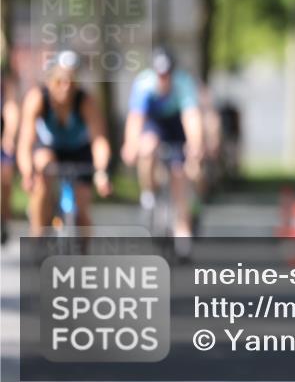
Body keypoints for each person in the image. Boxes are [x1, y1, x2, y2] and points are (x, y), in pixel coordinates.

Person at [16, 51, 112, 236]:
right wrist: (27, 173)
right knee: (42, 174)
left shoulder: (86, 102)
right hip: (49, 148)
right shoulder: (37, 99)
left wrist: (101, 172)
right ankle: (38, 234)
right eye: (59, 81)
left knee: (83, 209)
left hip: (79, 151)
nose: (66, 87)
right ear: (49, 81)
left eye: (71, 82)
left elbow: (99, 140)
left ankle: (82, 249)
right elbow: (26, 142)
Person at [121, 47, 203, 258]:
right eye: (160, 74)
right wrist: (130, 145)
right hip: (154, 124)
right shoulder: (144, 84)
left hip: (176, 126)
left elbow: (191, 117)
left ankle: (182, 234)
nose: (163, 78)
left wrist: (195, 145)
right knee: (147, 148)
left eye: (167, 74)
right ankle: (148, 192)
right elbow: (136, 118)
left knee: (179, 176)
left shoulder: (183, 83)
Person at [1, 64, 21, 244]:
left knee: (5, 180)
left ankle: (4, 220)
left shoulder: (5, 83)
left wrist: (9, 136)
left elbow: (11, 110)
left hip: (3, 139)